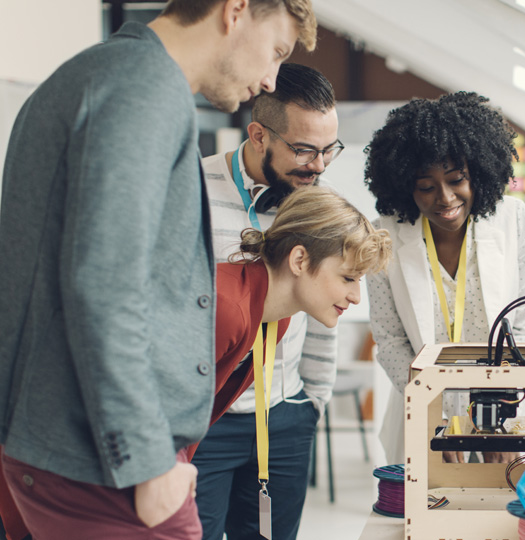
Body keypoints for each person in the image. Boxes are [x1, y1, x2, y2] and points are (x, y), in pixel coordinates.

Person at [0, 1, 317, 538]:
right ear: (236, 11)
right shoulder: (143, 90)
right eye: (276, 51)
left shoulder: (95, 73)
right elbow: (105, 286)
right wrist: (149, 461)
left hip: (64, 442)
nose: (270, 78)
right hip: (103, 460)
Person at [195, 62, 342, 540]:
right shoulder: (192, 189)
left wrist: (312, 402)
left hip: (284, 416)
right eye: (304, 150)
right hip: (206, 420)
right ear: (259, 135)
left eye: (328, 149)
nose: (319, 166)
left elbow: (325, 306)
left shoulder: (318, 201)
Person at [364, 92, 525, 465]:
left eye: (456, 180)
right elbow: (391, 340)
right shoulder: (383, 234)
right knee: (429, 498)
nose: (445, 198)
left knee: (509, 500)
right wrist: (430, 411)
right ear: (404, 185)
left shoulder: (513, 220)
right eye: (426, 187)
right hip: (423, 411)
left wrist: (499, 414)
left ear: (477, 173)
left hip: (508, 409)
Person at [205, 186, 390, 532]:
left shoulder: (278, 315)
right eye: (348, 278)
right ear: (300, 260)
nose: (355, 296)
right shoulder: (228, 309)